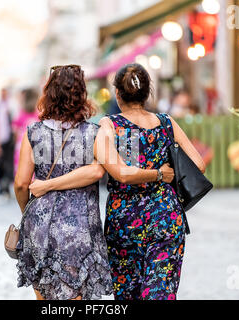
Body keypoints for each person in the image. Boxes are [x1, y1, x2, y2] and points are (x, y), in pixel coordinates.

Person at [30, 64, 206, 300]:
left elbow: (121, 173)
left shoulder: (110, 126)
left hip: (125, 221)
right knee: (161, 292)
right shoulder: (167, 123)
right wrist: (162, 173)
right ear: (147, 92)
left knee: (127, 293)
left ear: (117, 94)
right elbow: (199, 165)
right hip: (165, 217)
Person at [14, 65, 114, 301]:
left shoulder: (33, 133)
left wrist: (27, 211)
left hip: (39, 225)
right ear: (82, 95)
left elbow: (20, 183)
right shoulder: (93, 133)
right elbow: (98, 171)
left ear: (49, 94)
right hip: (79, 226)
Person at [12, 88, 39, 173]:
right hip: (37, 146)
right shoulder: (40, 113)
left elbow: (15, 130)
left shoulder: (20, 112)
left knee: (20, 171)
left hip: (22, 145)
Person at [0, 88, 14, 197]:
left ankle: (6, 186)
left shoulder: (11, 106)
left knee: (8, 164)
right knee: (0, 164)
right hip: (0, 139)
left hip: (9, 140)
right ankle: (2, 185)